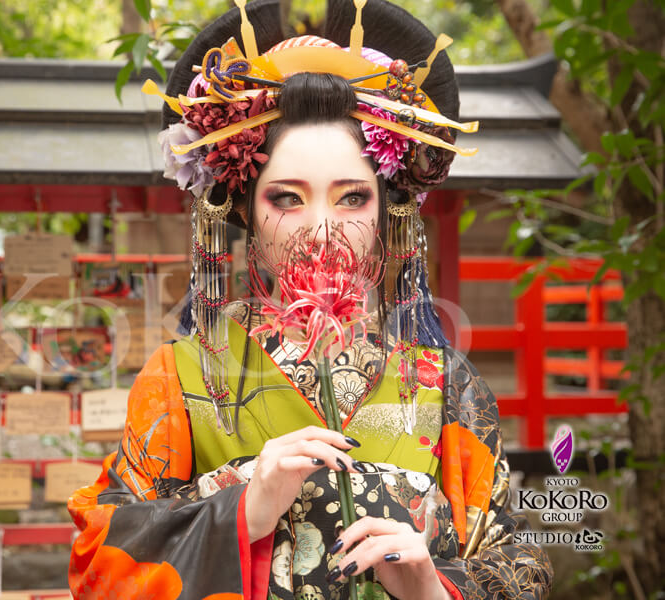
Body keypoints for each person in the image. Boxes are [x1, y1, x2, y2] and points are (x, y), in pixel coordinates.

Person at [67, 1, 553, 598]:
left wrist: (432, 587)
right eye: (287, 200)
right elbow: (99, 565)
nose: (320, 230)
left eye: (351, 198)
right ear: (242, 210)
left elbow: (516, 567)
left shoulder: (446, 385)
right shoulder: (180, 379)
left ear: (387, 209)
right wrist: (244, 507)